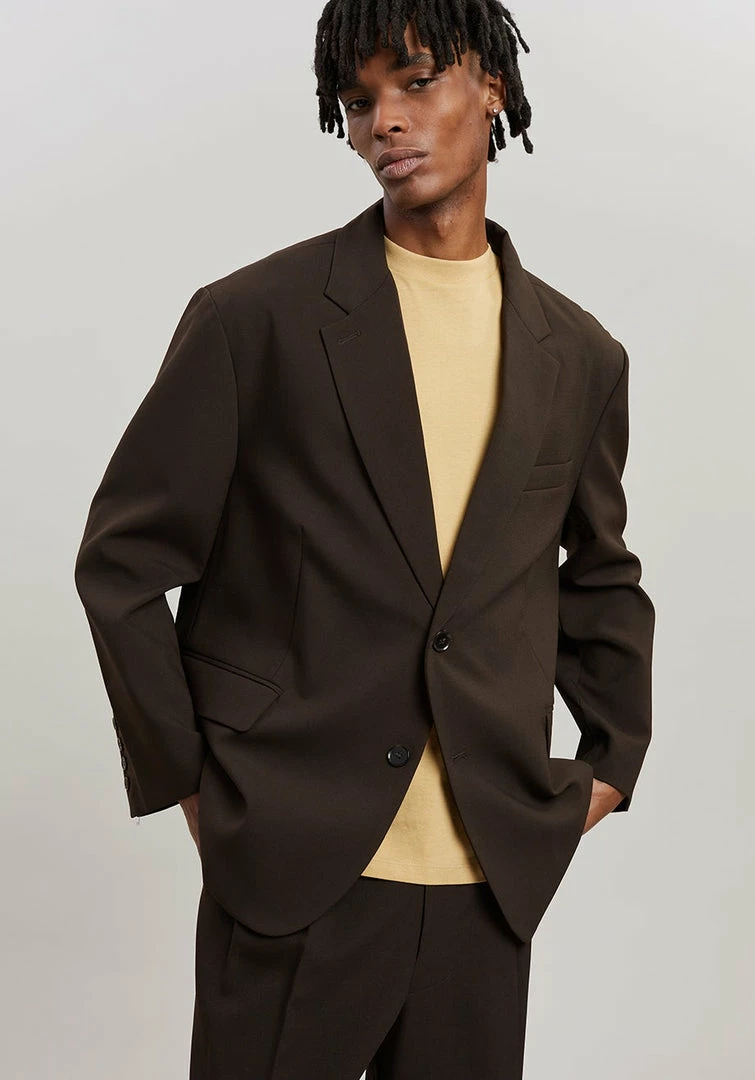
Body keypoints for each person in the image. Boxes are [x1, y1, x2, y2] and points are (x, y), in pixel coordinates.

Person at [74, 2, 655, 1077]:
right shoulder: (256, 319)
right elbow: (121, 562)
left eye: (416, 81)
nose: (384, 120)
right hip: (293, 861)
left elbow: (599, 572)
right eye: (357, 101)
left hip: (486, 875)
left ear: (491, 88)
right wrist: (194, 783)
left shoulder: (579, 355)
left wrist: (612, 761)